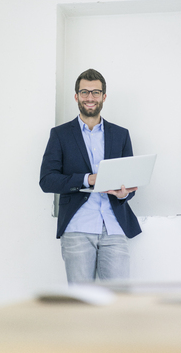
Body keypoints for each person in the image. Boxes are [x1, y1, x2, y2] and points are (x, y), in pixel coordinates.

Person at [40, 68, 141, 283]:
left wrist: (124, 194)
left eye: (96, 92)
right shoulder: (60, 135)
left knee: (119, 301)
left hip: (114, 227)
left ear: (104, 96)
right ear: (76, 96)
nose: (90, 98)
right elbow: (47, 180)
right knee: (81, 302)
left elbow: (129, 181)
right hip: (78, 227)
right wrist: (88, 179)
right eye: (84, 92)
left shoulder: (121, 135)